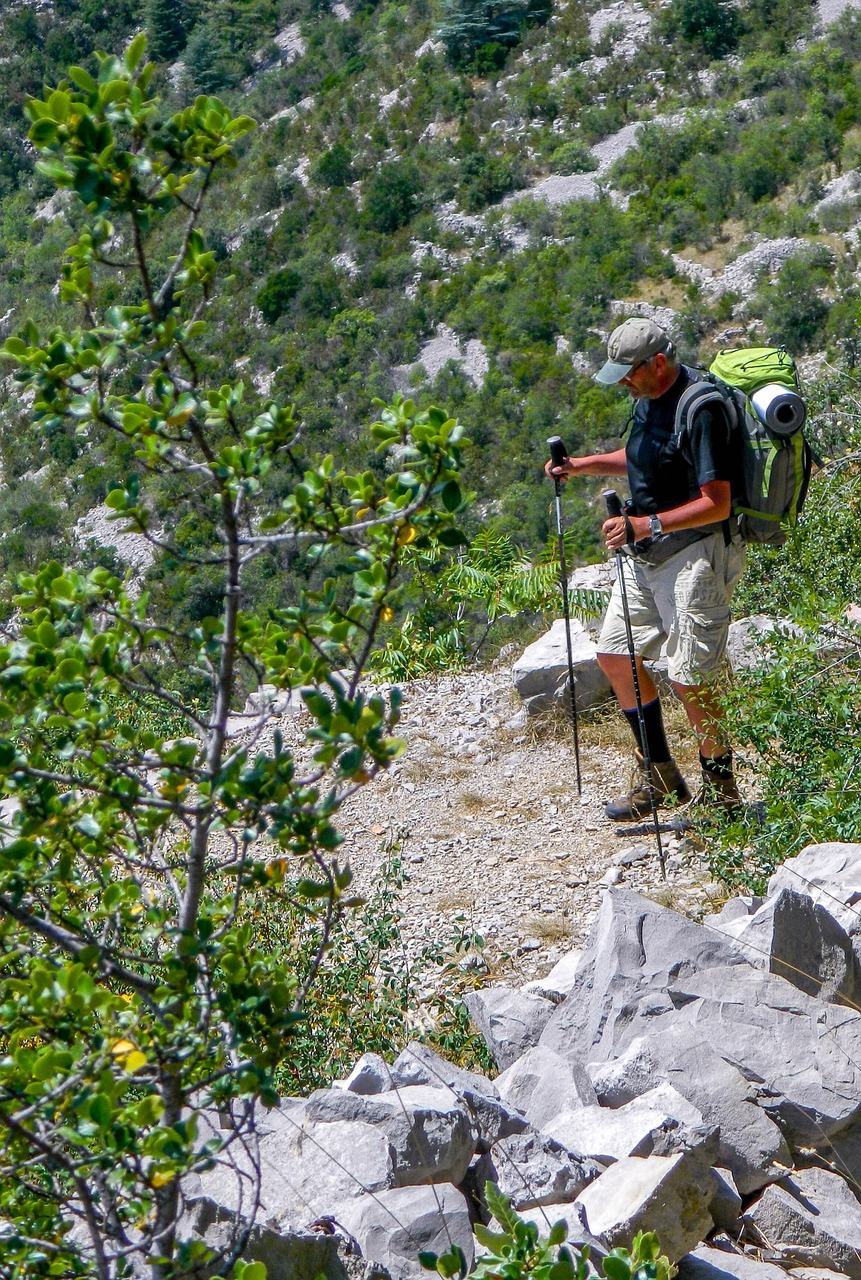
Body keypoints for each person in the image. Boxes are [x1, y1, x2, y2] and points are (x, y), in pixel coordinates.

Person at [545, 317, 746, 820]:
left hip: (695, 554)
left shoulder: (702, 409)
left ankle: (722, 795)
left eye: (628, 373)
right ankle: (659, 776)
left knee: (690, 678)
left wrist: (645, 526)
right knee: (616, 655)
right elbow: (641, 459)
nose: (623, 383)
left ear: (658, 363)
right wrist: (583, 465)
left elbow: (717, 503)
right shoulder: (648, 399)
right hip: (648, 553)